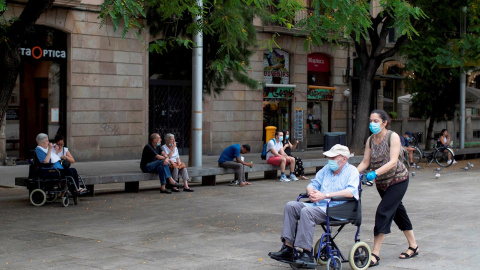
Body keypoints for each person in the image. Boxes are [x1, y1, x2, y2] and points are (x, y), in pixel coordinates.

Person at [268, 144, 359, 266]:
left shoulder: (352, 171)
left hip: (337, 209)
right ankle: (288, 248)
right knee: (291, 206)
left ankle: (307, 253)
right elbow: (312, 184)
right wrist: (311, 192)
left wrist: (325, 195)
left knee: (307, 212)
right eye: (329, 158)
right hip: (319, 206)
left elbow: (350, 192)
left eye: (333, 158)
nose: (330, 160)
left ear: (344, 159)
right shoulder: (326, 169)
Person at [357, 109, 418, 267]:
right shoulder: (370, 140)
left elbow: (392, 161)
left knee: (383, 212)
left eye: (376, 121)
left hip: (398, 180)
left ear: (384, 122)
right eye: (371, 121)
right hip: (382, 183)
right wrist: (351, 174)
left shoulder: (393, 137)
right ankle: (413, 246)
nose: (372, 124)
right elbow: (365, 162)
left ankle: (375, 254)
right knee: (398, 213)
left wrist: (374, 173)